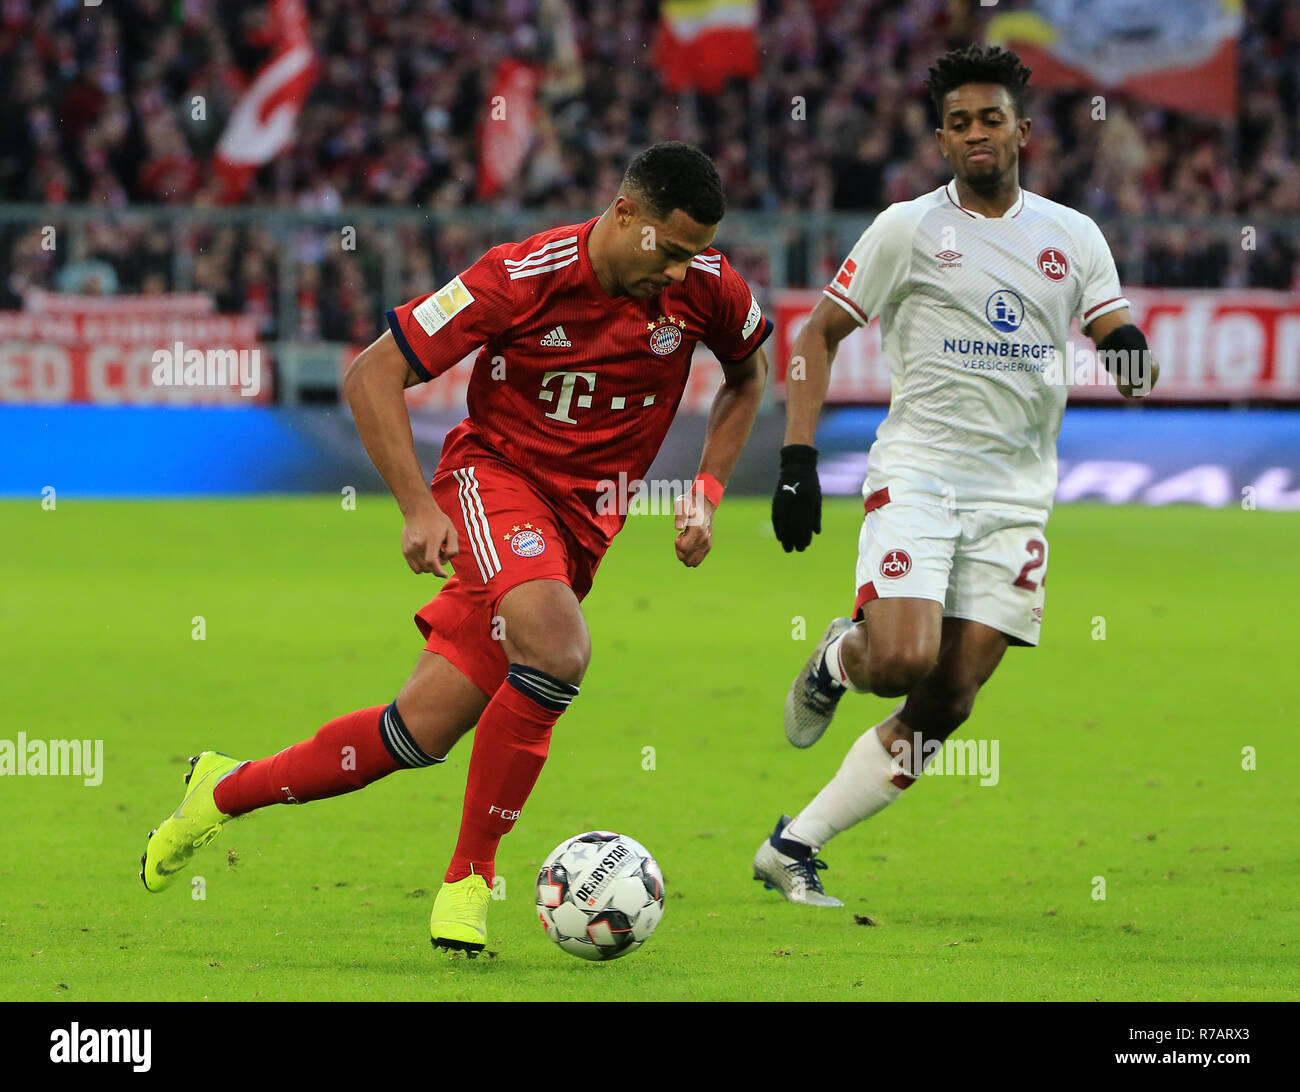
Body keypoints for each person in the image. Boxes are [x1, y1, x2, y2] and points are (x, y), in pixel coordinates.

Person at [141, 141, 772, 954]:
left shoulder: (707, 288)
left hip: (580, 533)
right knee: (559, 649)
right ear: (625, 217)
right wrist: (415, 507)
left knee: (414, 734)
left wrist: (709, 492)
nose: (683, 273)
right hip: (496, 481)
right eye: (672, 251)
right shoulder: (520, 275)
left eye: (697, 255)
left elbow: (749, 376)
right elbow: (372, 374)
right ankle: (469, 880)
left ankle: (219, 792)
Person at [755, 45, 1158, 906]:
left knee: (951, 700)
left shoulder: (1073, 235)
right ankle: (840, 654)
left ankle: (793, 845)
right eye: (960, 123)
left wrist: (1129, 353)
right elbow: (817, 336)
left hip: (1016, 495)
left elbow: (1112, 324)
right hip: (922, 475)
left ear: (1023, 130)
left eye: (992, 119)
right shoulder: (908, 228)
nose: (978, 134)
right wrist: (797, 459)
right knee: (900, 661)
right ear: (942, 139)